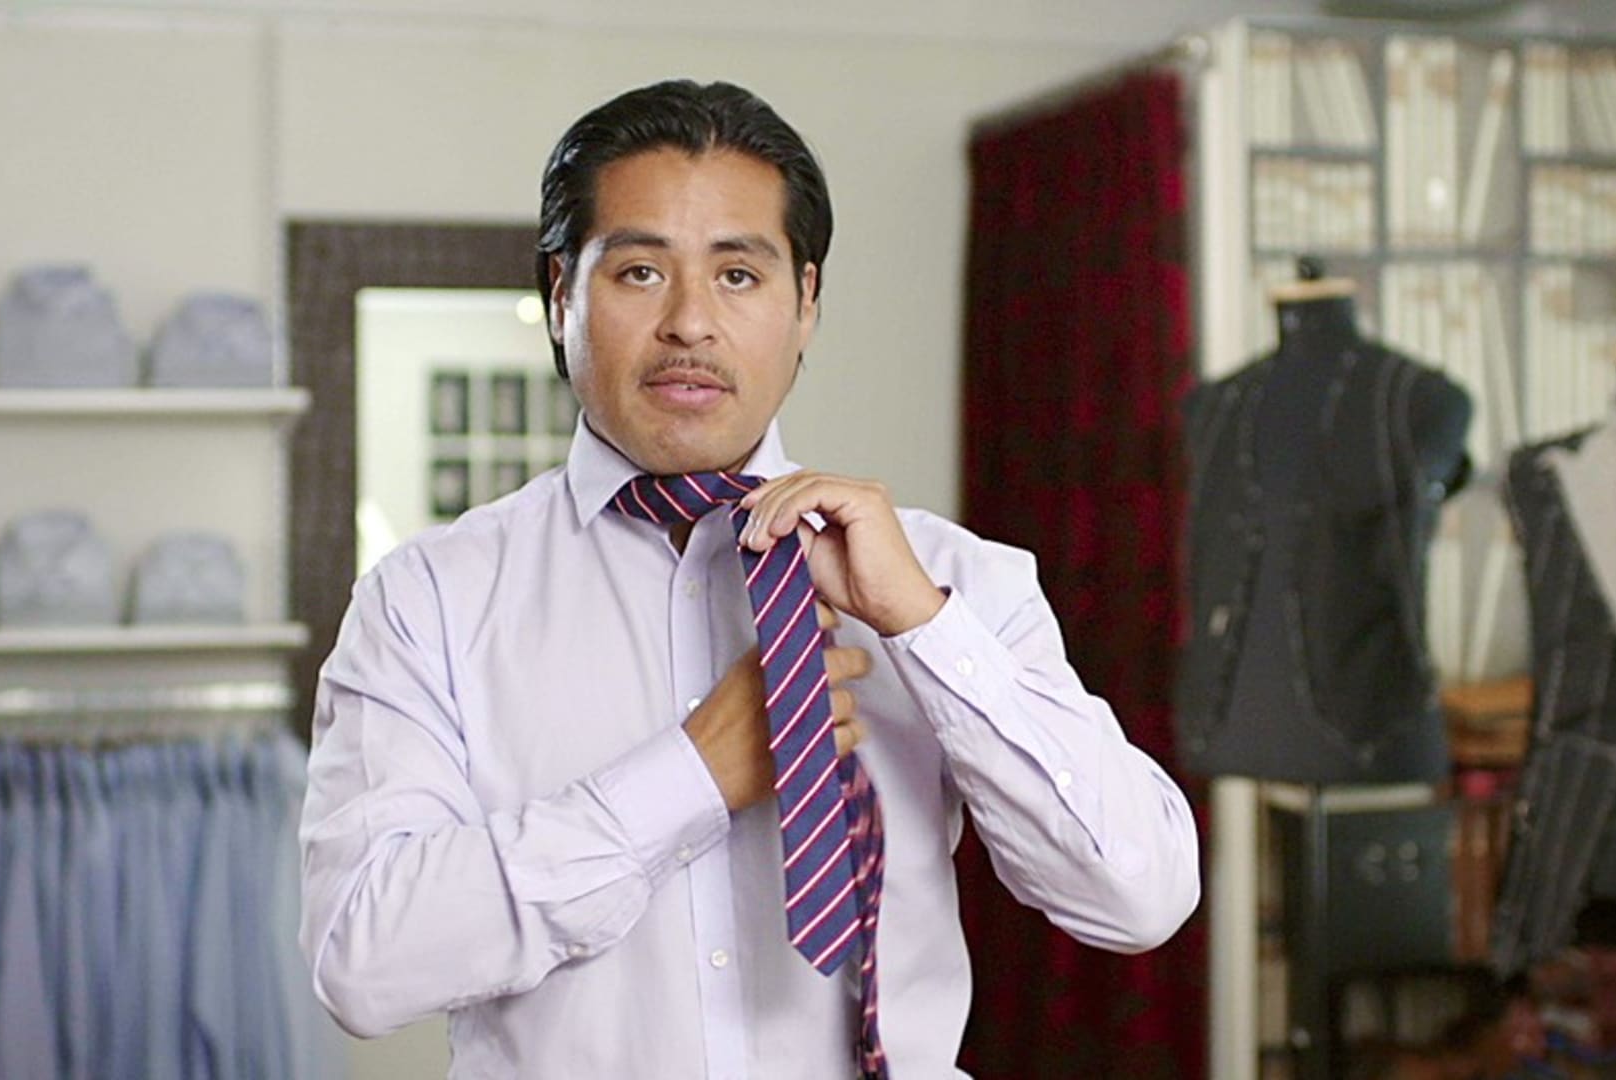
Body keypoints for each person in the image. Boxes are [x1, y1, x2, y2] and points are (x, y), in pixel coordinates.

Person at [297, 78, 1200, 1078]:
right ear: (561, 295)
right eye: (640, 272)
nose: (691, 323)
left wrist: (923, 629)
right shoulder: (428, 600)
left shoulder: (951, 581)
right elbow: (362, 963)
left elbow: (1139, 896)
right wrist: (688, 776)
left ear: (805, 303)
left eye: (738, 275)